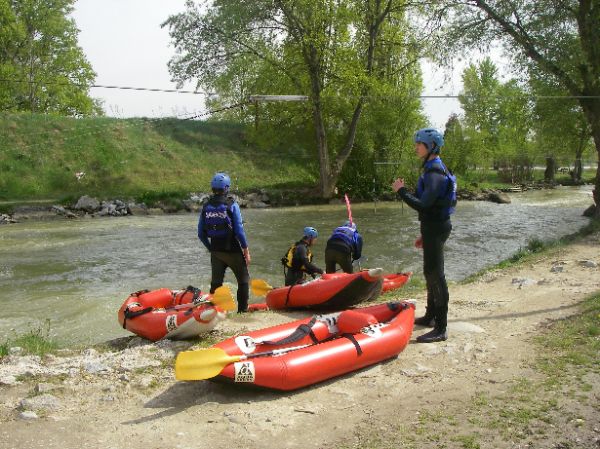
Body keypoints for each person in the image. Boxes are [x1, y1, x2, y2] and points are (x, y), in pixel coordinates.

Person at [391, 128, 457, 343]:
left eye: (420, 144)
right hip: (432, 228)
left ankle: (441, 328)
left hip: (437, 228)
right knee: (430, 273)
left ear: (431, 147)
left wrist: (401, 191)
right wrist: (424, 234)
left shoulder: (435, 172)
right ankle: (430, 316)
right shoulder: (431, 169)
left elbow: (423, 204)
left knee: (436, 274)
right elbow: (428, 206)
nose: (416, 147)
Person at [198, 172, 251, 313]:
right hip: (232, 249)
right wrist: (246, 249)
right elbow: (239, 231)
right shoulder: (232, 205)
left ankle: (212, 312)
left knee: (216, 283)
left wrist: (210, 248)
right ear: (226, 187)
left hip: (216, 251)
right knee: (243, 279)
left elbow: (200, 234)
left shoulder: (206, 206)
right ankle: (242, 312)